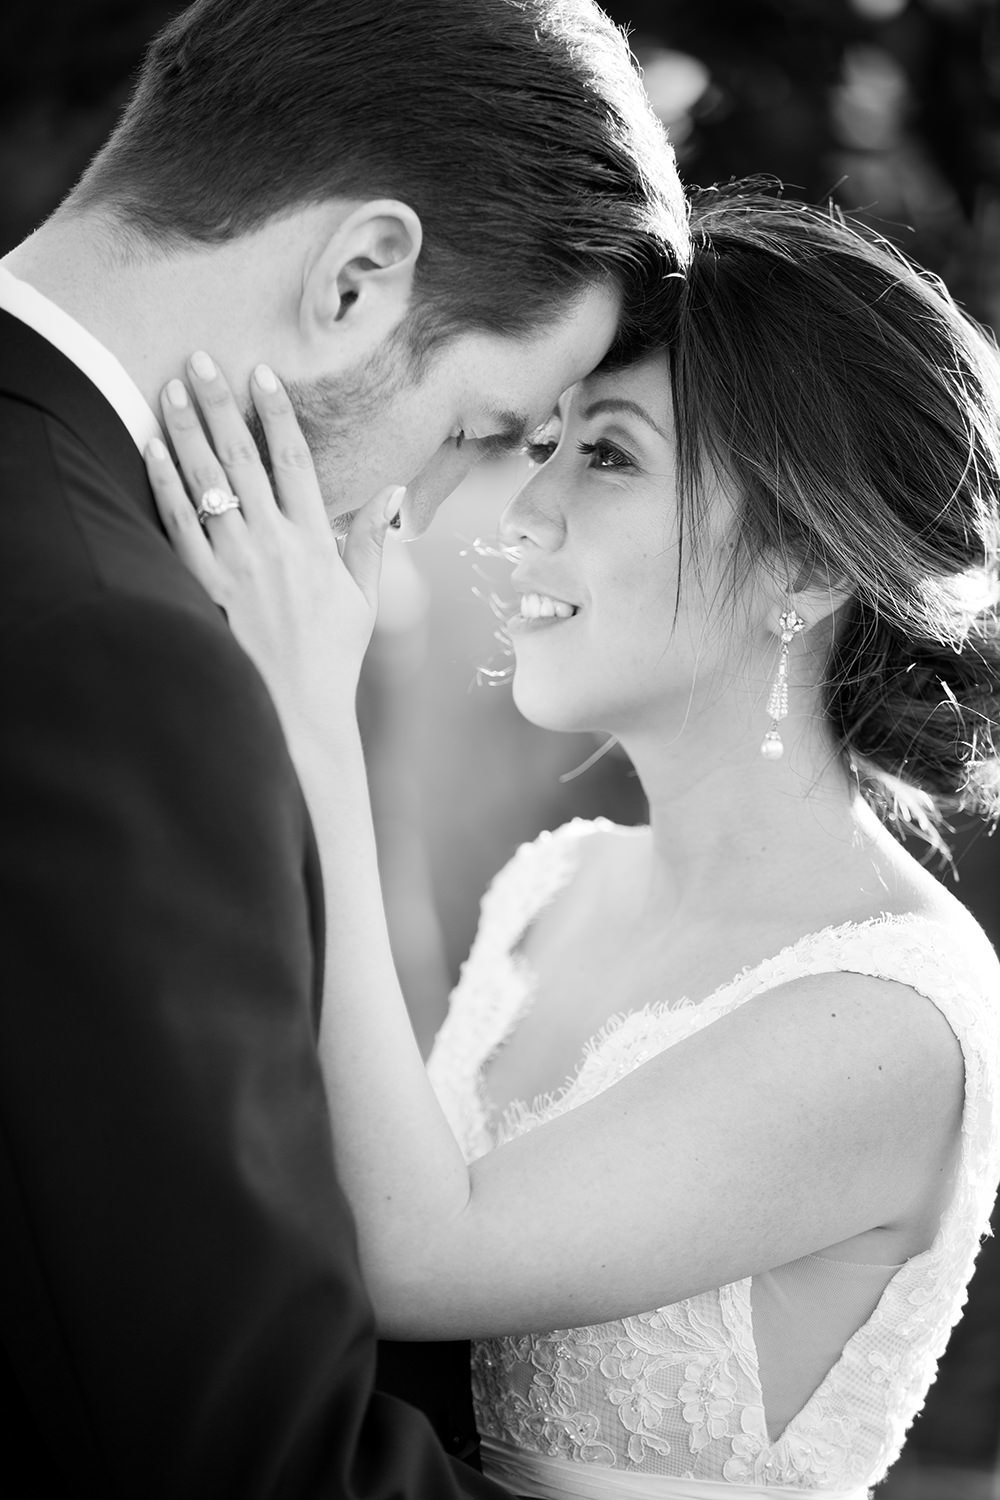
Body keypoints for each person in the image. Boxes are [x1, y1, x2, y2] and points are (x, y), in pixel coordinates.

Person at [147, 183, 1000, 1500]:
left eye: (604, 456)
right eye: (537, 445)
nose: (523, 513)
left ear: (808, 564)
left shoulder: (890, 1018)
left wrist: (312, 706)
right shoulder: (555, 886)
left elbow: (412, 1253)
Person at [0, 0, 689, 1493]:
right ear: (360, 278)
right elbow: (232, 1446)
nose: (433, 516)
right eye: (475, 428)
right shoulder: (119, 650)